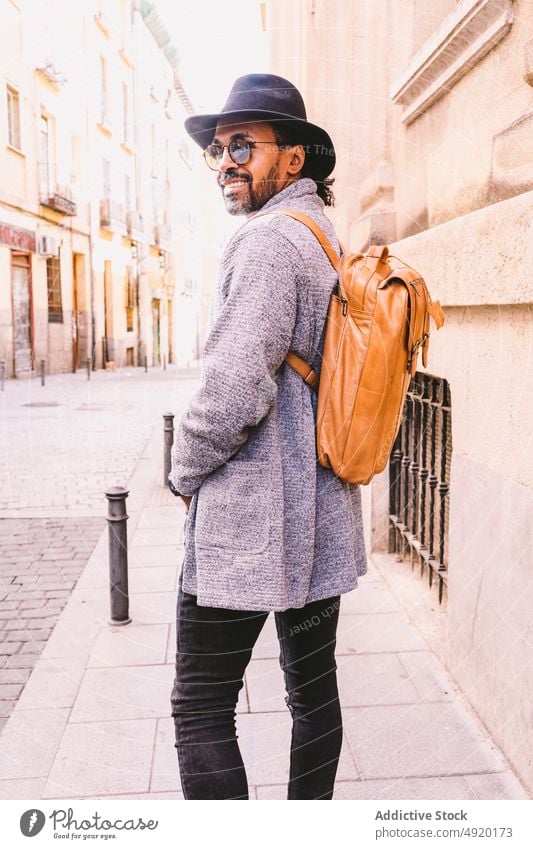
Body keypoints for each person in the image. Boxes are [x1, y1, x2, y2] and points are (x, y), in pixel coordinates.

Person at [169, 73, 367, 800]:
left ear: (293, 160)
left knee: (200, 708)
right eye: (219, 149)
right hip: (314, 514)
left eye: (243, 145)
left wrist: (180, 473)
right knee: (312, 694)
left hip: (252, 517)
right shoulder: (321, 236)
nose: (225, 160)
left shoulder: (267, 244)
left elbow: (231, 393)